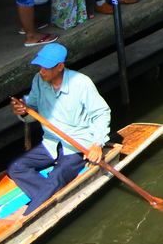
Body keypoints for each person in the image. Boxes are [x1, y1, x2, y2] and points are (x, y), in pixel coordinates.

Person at [8, 43, 110, 213]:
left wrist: (97, 144)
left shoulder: (81, 83)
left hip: (77, 145)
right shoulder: (39, 80)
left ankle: (29, 214)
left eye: (46, 68)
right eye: (40, 67)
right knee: (16, 167)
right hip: (51, 143)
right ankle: (49, 195)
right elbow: (32, 110)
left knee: (56, 177)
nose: (41, 71)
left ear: (60, 67)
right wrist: (23, 111)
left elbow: (101, 113)